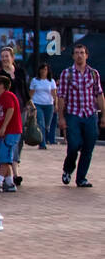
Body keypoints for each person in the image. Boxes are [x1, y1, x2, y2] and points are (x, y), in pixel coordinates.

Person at [56, 42, 105, 187]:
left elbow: (99, 95)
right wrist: (61, 117)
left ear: (87, 55)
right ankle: (68, 169)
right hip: (73, 114)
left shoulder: (93, 73)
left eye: (82, 53)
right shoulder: (67, 74)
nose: (79, 55)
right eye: (77, 53)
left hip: (90, 114)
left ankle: (81, 178)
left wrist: (103, 116)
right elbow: (61, 97)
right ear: (73, 56)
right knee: (73, 145)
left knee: (88, 147)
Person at [0, 45, 31, 184]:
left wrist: (31, 105)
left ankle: (10, 172)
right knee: (11, 140)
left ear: (12, 57)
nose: (5, 59)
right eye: (3, 56)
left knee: (19, 140)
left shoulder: (20, 71)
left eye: (7, 56)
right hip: (8, 110)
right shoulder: (0, 75)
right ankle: (14, 174)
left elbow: (24, 90)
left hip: (21, 108)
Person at [0, 73, 21, 193]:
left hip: (11, 132)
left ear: (2, 86)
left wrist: (4, 127)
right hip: (4, 133)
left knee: (5, 157)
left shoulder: (7, 96)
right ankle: (9, 183)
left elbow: (10, 110)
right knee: (2, 156)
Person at [29, 62, 58, 148]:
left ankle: (45, 138)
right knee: (40, 123)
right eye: (42, 69)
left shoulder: (51, 81)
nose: (43, 71)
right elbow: (31, 94)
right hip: (37, 104)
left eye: (45, 69)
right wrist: (30, 104)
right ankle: (42, 143)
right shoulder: (35, 80)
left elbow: (54, 94)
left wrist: (56, 104)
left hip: (49, 105)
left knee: (46, 125)